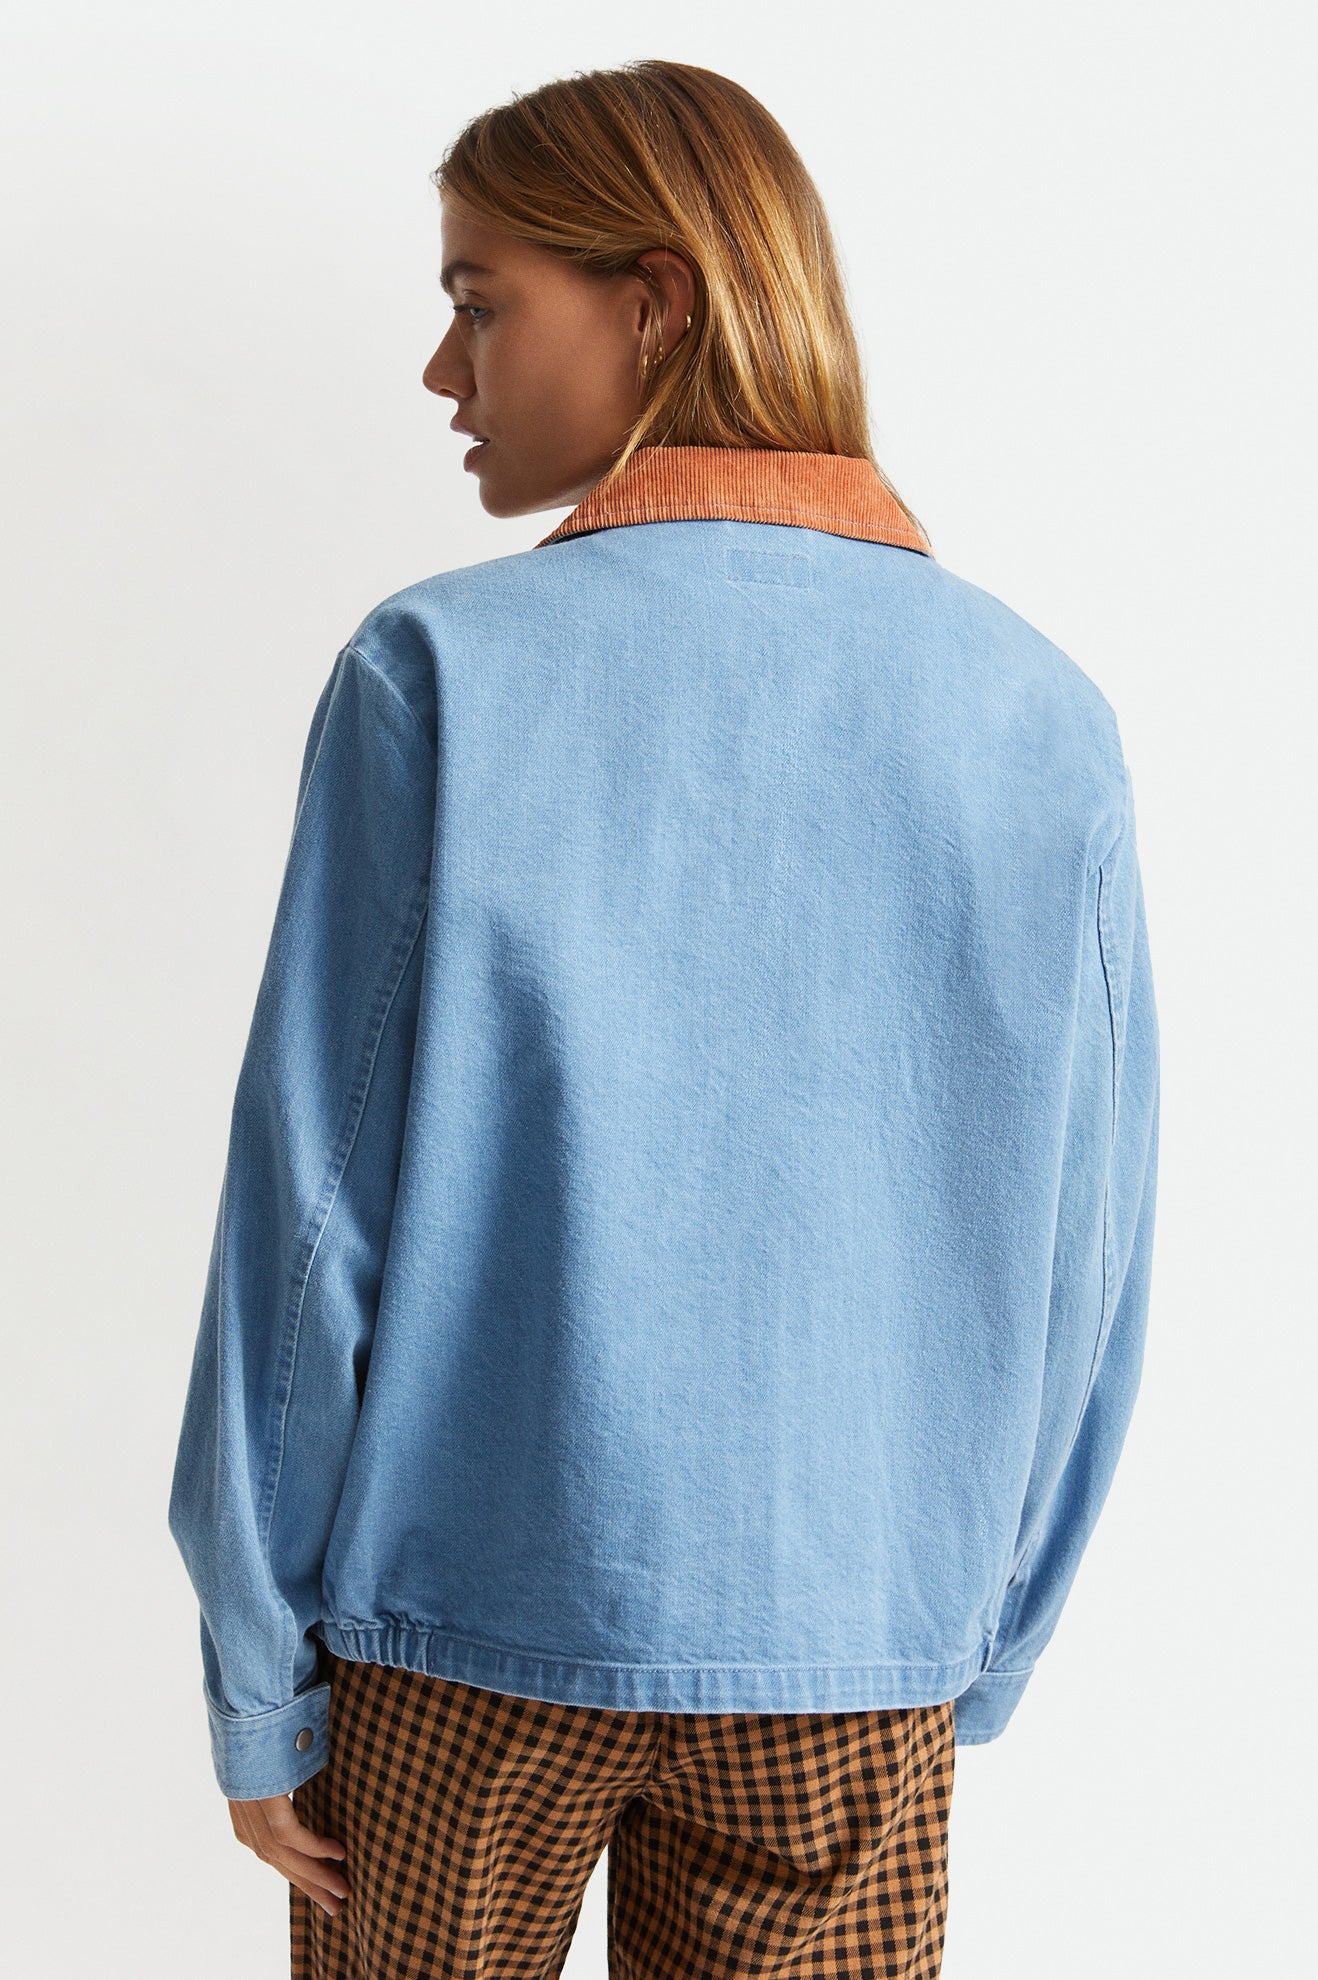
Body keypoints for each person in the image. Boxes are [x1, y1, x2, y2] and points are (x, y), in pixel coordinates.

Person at [167, 59, 1160, 1980]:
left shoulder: (438, 672)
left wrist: (256, 1669)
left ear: (656, 303)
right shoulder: (1038, 713)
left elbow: (308, 1224)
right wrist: (978, 1632)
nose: (442, 370)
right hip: (851, 1653)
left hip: (460, 1643)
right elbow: (1082, 1254)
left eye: (478, 301)